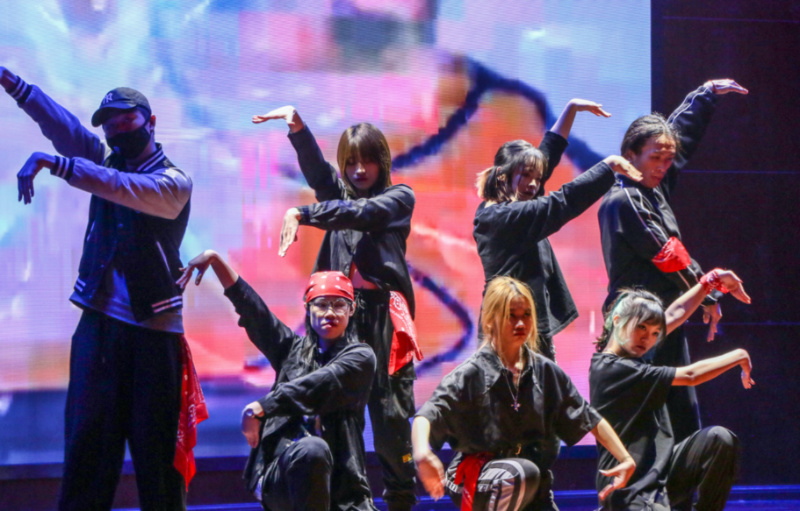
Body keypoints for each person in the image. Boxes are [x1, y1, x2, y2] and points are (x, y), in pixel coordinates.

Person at [2, 66, 195, 510]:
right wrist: (11, 83)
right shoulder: (105, 161)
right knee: (86, 454)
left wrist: (58, 165)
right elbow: (63, 128)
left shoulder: (173, 182)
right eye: (109, 124)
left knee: (158, 463)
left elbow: (121, 187)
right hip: (99, 329)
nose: (117, 129)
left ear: (150, 121)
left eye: (126, 119)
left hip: (154, 335)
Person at [252, 106, 420, 511]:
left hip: (383, 319)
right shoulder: (338, 197)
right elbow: (320, 176)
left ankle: (400, 502)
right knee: (340, 418)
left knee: (390, 420)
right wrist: (297, 126)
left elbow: (362, 214)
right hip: (342, 319)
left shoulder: (399, 198)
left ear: (382, 162)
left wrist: (304, 213)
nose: (359, 170)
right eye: (350, 162)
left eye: (367, 161)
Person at [597, 78, 749, 442]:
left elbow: (677, 137)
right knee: (647, 427)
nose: (664, 166)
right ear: (630, 155)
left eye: (667, 160)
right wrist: (709, 292)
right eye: (655, 159)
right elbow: (669, 255)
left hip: (665, 319)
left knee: (680, 419)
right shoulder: (626, 200)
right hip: (635, 327)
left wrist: (705, 95)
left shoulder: (652, 186)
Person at [412, 276, 636, 511]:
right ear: (490, 320)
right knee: (520, 473)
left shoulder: (545, 371)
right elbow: (427, 415)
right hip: (477, 479)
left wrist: (625, 458)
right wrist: (421, 453)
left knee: (527, 474)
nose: (520, 323)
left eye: (526, 315)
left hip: (532, 484)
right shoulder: (471, 373)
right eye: (511, 315)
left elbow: (588, 417)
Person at [178, 253, 378, 511]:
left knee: (318, 453)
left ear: (351, 309)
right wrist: (216, 261)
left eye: (339, 304)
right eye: (321, 304)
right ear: (308, 307)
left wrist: (262, 407)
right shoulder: (292, 351)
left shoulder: (361, 357)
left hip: (342, 487)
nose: (330, 312)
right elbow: (254, 311)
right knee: (312, 449)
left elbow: (320, 383)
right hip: (282, 474)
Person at [473, 99, 643, 361]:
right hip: (508, 328)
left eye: (537, 178)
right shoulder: (503, 217)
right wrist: (607, 167)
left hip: (526, 323)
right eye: (526, 175)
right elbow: (562, 202)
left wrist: (571, 109)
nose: (534, 184)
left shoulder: (515, 204)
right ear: (502, 176)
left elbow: (547, 154)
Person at [590, 269, 753, 510]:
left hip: (662, 472)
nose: (648, 338)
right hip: (628, 487)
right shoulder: (612, 368)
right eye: (641, 328)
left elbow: (676, 312)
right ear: (617, 321)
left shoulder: (636, 352)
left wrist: (711, 280)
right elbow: (690, 376)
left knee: (720, 439)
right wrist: (739, 355)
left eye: (655, 333)